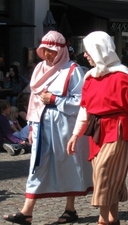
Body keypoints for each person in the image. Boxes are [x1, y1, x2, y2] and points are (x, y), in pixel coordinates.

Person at [3, 30, 93, 225]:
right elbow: (34, 102)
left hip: (65, 127)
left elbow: (81, 102)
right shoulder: (40, 69)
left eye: (51, 51)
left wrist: (55, 99)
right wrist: (32, 126)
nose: (48, 54)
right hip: (42, 125)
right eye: (44, 50)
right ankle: (26, 212)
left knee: (70, 164)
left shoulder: (73, 70)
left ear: (60, 50)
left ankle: (70, 209)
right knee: (37, 165)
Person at [67, 31, 128, 225]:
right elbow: (85, 110)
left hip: (119, 130)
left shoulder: (123, 76)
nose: (85, 55)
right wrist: (75, 135)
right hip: (96, 132)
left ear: (98, 50)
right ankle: (113, 218)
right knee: (104, 176)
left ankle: (102, 220)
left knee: (105, 172)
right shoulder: (89, 77)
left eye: (88, 51)